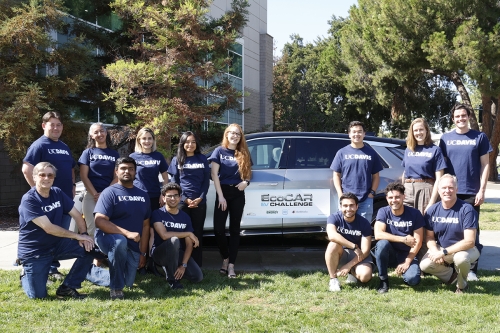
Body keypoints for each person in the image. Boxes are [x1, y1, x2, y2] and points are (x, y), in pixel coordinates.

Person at [18, 162, 109, 299]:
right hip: (35, 252)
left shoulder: (57, 193)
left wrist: (84, 235)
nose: (46, 178)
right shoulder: (29, 200)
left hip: (56, 245)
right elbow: (49, 228)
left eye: (50, 175)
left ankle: (68, 287)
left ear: (54, 178)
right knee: (38, 296)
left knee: (89, 249)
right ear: (35, 177)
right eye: (42, 175)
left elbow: (77, 215)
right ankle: (26, 273)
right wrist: (76, 236)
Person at [439, 104, 492, 281]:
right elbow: (442, 167)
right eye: (457, 116)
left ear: (468, 117)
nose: (460, 119)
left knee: (471, 230)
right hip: (450, 191)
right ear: (452, 119)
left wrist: (482, 190)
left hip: (471, 191)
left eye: (463, 116)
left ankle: (471, 270)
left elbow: (486, 165)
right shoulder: (445, 139)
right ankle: (449, 265)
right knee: (449, 228)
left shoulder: (480, 137)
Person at [22, 111, 76, 279]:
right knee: (48, 234)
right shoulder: (39, 145)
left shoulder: (64, 146)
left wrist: (73, 186)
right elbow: (27, 168)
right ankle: (42, 268)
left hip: (65, 200)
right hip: (48, 202)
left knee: (60, 233)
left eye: (59, 125)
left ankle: (53, 268)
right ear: (44, 126)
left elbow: (70, 169)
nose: (56, 128)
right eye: (52, 124)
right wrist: (39, 193)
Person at [94, 157, 151, 300]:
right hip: (108, 238)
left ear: (135, 172)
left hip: (132, 244)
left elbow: (145, 226)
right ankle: (116, 288)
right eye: (123, 168)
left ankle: (90, 272)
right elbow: (99, 221)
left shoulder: (143, 195)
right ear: (116, 171)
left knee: (128, 282)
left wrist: (143, 253)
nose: (127, 171)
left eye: (131, 169)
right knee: (120, 241)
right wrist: (127, 233)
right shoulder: (109, 192)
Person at [420, 174, 480, 294]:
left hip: (468, 249)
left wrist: (443, 253)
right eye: (444, 188)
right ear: (438, 190)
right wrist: (435, 251)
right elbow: (430, 237)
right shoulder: (432, 211)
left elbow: (469, 241)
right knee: (425, 265)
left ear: (456, 190)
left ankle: (461, 285)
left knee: (460, 258)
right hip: (443, 249)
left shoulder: (467, 209)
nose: (447, 191)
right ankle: (452, 276)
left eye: (451, 187)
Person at [208, 124, 252, 278]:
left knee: (235, 230)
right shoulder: (219, 151)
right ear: (226, 135)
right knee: (218, 229)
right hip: (223, 193)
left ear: (241, 137)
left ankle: (231, 265)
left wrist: (246, 183)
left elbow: (248, 174)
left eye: (238, 134)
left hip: (238, 193)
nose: (235, 136)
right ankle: (225, 259)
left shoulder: (243, 152)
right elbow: (214, 174)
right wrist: (220, 196)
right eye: (232, 133)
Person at [168, 131, 210, 267]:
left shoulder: (202, 159)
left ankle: (196, 265)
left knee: (197, 233)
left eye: (193, 142)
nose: (190, 144)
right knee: (181, 234)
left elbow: (205, 182)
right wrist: (185, 199)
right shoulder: (176, 160)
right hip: (181, 203)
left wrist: (200, 198)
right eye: (187, 142)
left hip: (199, 202)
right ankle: (180, 263)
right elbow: (174, 183)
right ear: (182, 144)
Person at [373, 182, 424, 293]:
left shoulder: (415, 214)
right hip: (389, 252)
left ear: (403, 197)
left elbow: (418, 241)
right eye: (391, 197)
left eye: (397, 197)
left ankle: (403, 271)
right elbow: (378, 234)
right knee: (382, 244)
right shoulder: (383, 211)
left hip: (407, 253)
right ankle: (383, 279)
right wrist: (403, 239)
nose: (394, 200)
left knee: (413, 280)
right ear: (387, 198)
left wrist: (407, 262)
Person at [150, 183, 203, 289]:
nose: (172, 198)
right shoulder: (157, 213)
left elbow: (189, 244)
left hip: (177, 253)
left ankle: (171, 268)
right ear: (164, 198)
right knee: (174, 240)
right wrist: (188, 233)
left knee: (197, 277)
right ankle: (172, 280)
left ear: (180, 198)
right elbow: (164, 236)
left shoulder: (185, 217)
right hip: (159, 253)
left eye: (175, 195)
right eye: (169, 196)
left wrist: (183, 265)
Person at [331, 121, 383, 223]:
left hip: (365, 199)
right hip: (346, 199)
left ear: (364, 134)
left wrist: (372, 193)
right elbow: (336, 175)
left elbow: (376, 176)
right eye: (354, 132)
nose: (357, 134)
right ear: (349, 134)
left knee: (364, 229)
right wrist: (340, 194)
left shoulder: (371, 153)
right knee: (346, 228)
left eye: (360, 132)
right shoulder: (341, 153)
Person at [78, 123, 119, 239]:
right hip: (91, 196)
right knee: (92, 229)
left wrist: (104, 194)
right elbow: (84, 176)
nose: (99, 134)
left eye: (102, 131)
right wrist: (96, 194)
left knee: (111, 227)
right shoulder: (88, 153)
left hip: (110, 196)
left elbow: (117, 176)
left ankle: (108, 256)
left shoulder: (114, 154)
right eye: (96, 132)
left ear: (106, 133)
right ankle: (95, 256)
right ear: (91, 135)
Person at [325, 192, 373, 292]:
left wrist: (348, 266)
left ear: (357, 207)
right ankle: (333, 279)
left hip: (358, 255)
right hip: (341, 252)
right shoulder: (333, 218)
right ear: (340, 207)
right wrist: (353, 246)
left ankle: (352, 273)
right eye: (345, 206)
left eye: (351, 205)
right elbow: (332, 235)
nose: (348, 209)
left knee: (365, 277)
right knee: (332, 244)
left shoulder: (364, 223)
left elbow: (365, 251)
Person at [402, 118, 446, 215]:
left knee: (423, 224)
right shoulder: (408, 150)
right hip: (408, 190)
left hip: (426, 189)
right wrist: (402, 190)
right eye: (415, 130)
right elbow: (405, 173)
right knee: (407, 222)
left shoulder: (435, 150)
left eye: (421, 129)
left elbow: (439, 178)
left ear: (426, 130)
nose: (419, 133)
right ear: (412, 133)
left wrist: (431, 202)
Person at [129, 127, 169, 212]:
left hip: (155, 196)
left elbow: (165, 177)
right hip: (137, 195)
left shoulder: (158, 156)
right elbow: (128, 178)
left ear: (153, 140)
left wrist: (163, 194)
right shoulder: (132, 157)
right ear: (139, 140)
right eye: (144, 138)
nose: (147, 141)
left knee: (154, 223)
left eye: (149, 138)